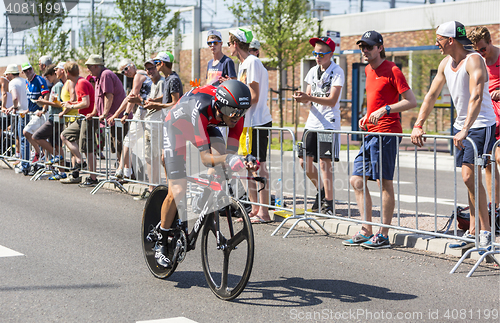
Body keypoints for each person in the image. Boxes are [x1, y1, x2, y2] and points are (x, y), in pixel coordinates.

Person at [411, 21, 496, 250]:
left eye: (438, 39)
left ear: (450, 40)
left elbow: (477, 96)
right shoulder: (445, 64)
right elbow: (430, 95)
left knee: (470, 176)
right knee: (469, 179)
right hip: (462, 126)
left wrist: (466, 128)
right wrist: (418, 124)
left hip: (481, 124)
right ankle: (473, 231)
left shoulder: (474, 59)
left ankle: (487, 233)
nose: (435, 43)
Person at [157, 79, 258, 268]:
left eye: (241, 112)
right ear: (220, 106)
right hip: (177, 127)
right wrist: (229, 160)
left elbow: (230, 155)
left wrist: (244, 161)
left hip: (208, 126)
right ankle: (161, 240)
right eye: (232, 112)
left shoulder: (235, 113)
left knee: (223, 159)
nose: (236, 117)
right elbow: (205, 158)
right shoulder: (201, 107)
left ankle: (204, 196)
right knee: (178, 190)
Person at [343, 30, 417, 249]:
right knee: (356, 180)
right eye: (362, 47)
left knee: (383, 183)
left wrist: (386, 110)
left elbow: (411, 101)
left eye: (369, 46)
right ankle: (367, 229)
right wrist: (367, 115)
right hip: (370, 132)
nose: (364, 51)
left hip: (387, 133)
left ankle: (383, 235)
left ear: (380, 47)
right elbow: (375, 99)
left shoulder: (393, 69)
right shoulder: (368, 69)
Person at [293, 36, 344, 215]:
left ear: (331, 54)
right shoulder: (312, 71)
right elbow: (308, 96)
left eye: (321, 53)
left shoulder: (337, 71)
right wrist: (302, 98)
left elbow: (332, 100)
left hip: (328, 123)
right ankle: (322, 190)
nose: (317, 56)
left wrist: (309, 98)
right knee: (304, 162)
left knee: (324, 164)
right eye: (315, 53)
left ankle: (329, 204)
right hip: (312, 122)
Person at [229, 27, 273, 223]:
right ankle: (255, 209)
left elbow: (253, 96)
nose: (228, 47)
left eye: (229, 43)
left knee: (258, 166)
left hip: (257, 121)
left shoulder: (252, 62)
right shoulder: (243, 64)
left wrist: (235, 106)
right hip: (247, 122)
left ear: (236, 44)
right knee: (247, 166)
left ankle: (264, 212)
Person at [80, 54, 127, 187]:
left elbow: (109, 96)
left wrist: (105, 113)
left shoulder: (106, 75)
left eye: (89, 67)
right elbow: (98, 98)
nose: (88, 69)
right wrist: (94, 112)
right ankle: (122, 173)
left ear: (96, 66)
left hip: (116, 118)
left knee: (119, 145)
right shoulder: (98, 77)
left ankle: (126, 174)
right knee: (116, 145)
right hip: (111, 118)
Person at [468, 26, 500, 216]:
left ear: (490, 41)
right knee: (488, 162)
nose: (480, 53)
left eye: (482, 49)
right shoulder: (476, 61)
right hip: (488, 118)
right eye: (476, 50)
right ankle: (494, 206)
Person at [109, 58, 152, 180]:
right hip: (145, 110)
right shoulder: (142, 75)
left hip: (146, 111)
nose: (125, 73)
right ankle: (124, 171)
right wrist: (117, 114)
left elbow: (132, 98)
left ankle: (123, 171)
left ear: (132, 65)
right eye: (122, 72)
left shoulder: (138, 75)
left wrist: (125, 114)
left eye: (126, 69)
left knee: (130, 140)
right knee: (129, 140)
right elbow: (129, 98)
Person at [132, 59, 167, 199]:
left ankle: (155, 188)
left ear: (158, 67)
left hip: (157, 124)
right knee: (150, 157)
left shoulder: (162, 82)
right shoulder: (152, 84)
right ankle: (153, 188)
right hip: (150, 124)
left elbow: (160, 103)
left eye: (152, 68)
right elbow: (151, 103)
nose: (149, 71)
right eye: (147, 69)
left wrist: (139, 102)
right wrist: (140, 101)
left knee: (154, 157)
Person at [31, 63, 67, 180]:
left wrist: (43, 103)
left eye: (48, 77)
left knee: (37, 136)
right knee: (56, 144)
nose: (47, 79)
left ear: (53, 74)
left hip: (55, 118)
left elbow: (58, 103)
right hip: (55, 118)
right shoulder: (56, 85)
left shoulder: (57, 86)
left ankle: (57, 157)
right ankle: (61, 171)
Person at [21, 62, 50, 175]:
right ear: (23, 72)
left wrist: (44, 109)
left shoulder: (39, 79)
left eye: (29, 69)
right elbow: (31, 98)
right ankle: (40, 157)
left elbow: (46, 94)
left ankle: (40, 153)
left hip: (40, 114)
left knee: (26, 132)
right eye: (26, 70)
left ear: (32, 69)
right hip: (32, 113)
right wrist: (28, 110)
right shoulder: (27, 82)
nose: (28, 71)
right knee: (36, 137)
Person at [4, 64, 28, 172]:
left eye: (7, 75)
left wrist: (14, 107)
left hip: (20, 113)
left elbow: (15, 97)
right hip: (28, 111)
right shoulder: (24, 80)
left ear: (9, 74)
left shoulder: (12, 83)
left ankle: (22, 161)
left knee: (20, 137)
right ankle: (26, 160)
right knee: (27, 137)